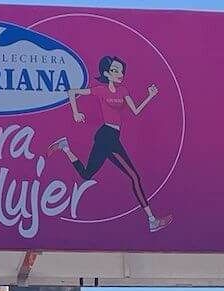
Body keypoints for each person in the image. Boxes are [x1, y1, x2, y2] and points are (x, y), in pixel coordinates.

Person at [49, 54, 172, 233]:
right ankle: (152, 220)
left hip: (111, 137)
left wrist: (150, 96)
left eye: (121, 70)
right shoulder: (101, 90)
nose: (119, 73)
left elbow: (136, 111)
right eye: (115, 71)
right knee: (134, 177)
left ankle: (65, 147)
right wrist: (76, 112)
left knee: (86, 174)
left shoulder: (123, 91)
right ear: (107, 74)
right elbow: (72, 92)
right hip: (107, 137)